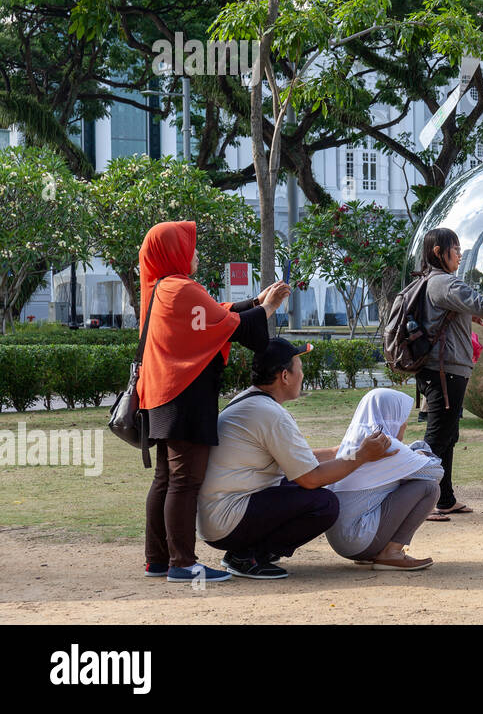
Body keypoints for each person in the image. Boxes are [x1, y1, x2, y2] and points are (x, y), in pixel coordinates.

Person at [137, 220, 289, 584]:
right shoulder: (181, 288)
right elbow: (228, 325)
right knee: (185, 481)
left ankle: (158, 559)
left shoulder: (163, 286)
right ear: (173, 251)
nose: (195, 254)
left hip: (162, 395)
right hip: (185, 395)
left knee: (166, 479)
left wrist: (255, 301)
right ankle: (182, 563)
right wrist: (265, 309)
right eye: (189, 246)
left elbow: (214, 312)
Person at [197, 339, 397, 578]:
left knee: (310, 486)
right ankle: (248, 556)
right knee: (324, 503)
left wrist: (340, 452)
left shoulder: (251, 402)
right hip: (228, 520)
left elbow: (300, 460)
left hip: (218, 516)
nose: (302, 374)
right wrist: (363, 455)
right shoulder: (270, 414)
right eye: (299, 367)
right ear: (284, 376)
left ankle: (245, 552)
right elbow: (311, 478)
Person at [417, 228, 483, 518]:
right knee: (437, 438)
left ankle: (444, 498)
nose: (460, 253)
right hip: (444, 371)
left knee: (448, 436)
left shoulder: (433, 282)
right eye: (455, 248)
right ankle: (419, 501)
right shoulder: (444, 282)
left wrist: (467, 314)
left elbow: (460, 311)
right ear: (439, 253)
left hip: (445, 369)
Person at [325, 388, 443, 570]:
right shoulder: (384, 443)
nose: (404, 425)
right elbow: (435, 473)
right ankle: (391, 553)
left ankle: (376, 553)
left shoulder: (355, 440)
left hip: (343, 540)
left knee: (405, 480)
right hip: (358, 540)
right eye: (402, 418)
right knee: (429, 487)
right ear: (392, 415)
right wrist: (421, 451)